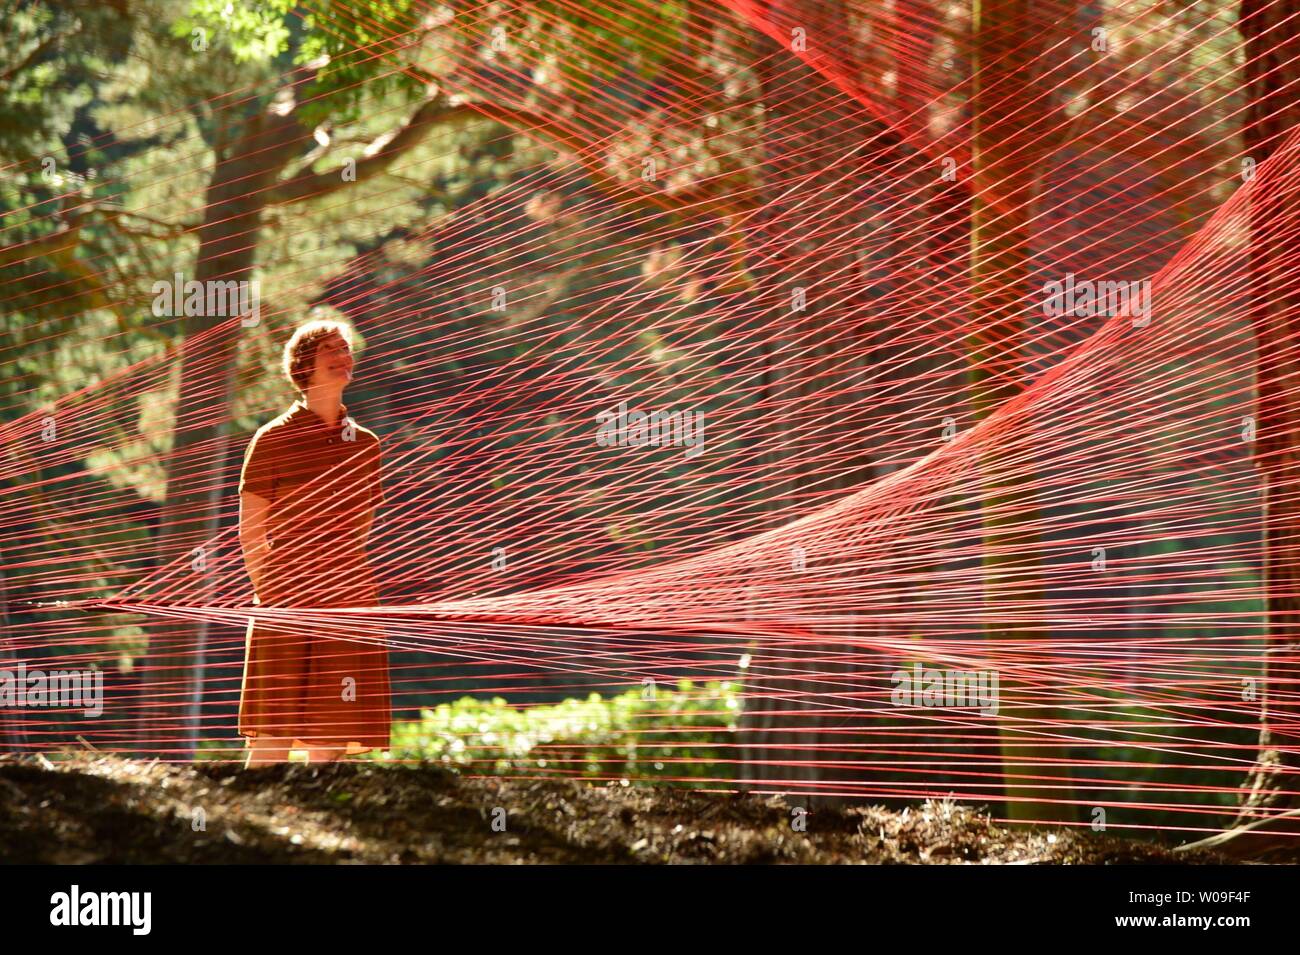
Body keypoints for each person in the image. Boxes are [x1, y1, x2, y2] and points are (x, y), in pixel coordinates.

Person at [236, 318, 391, 767]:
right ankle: (247, 825)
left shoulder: (365, 444)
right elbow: (251, 529)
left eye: (346, 348)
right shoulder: (272, 438)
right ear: (305, 364)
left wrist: (338, 574)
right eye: (331, 349)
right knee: (273, 728)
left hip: (349, 594)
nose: (344, 356)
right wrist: (271, 589)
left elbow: (361, 525)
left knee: (333, 731)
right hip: (284, 593)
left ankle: (318, 826)